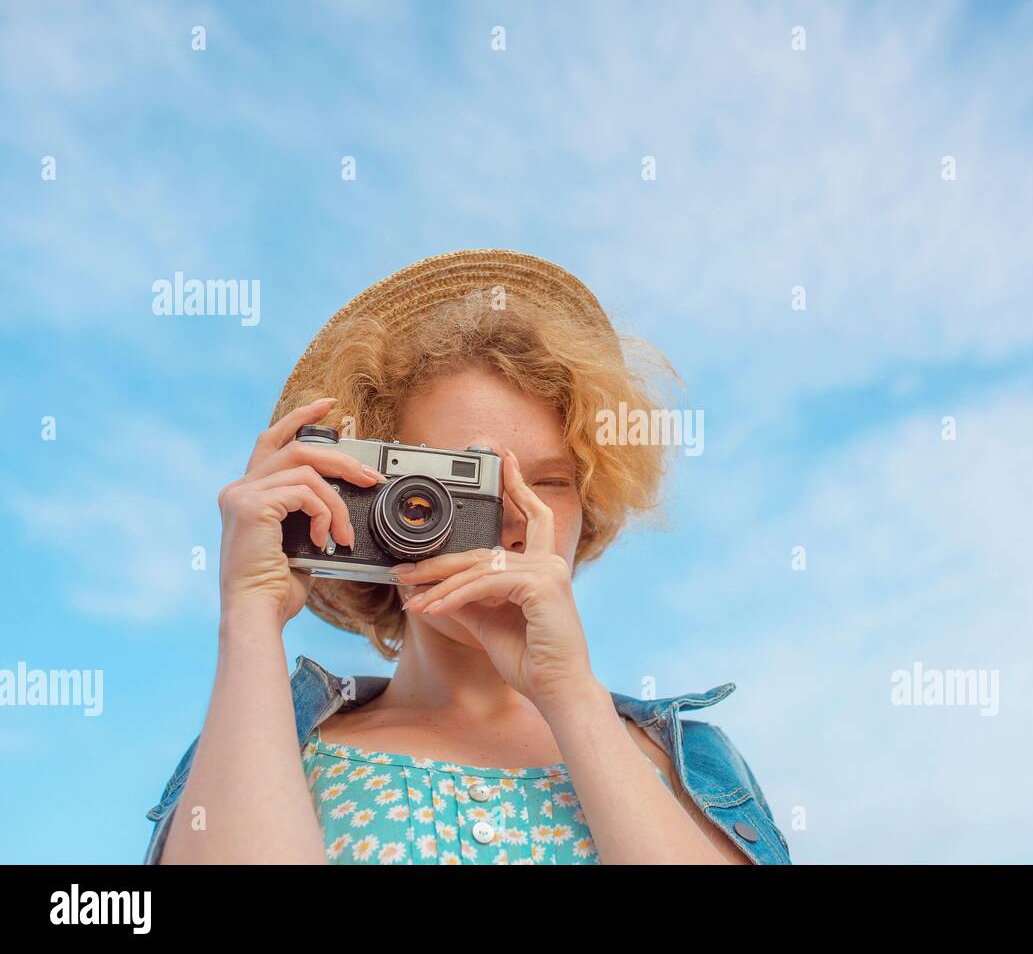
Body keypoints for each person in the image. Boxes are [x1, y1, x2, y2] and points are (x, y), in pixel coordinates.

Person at [143, 249, 790, 865]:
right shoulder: (268, 750)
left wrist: (569, 693)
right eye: (462, 485)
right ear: (365, 492)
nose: (514, 519)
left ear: (590, 505)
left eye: (551, 482)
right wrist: (250, 613)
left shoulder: (681, 760)